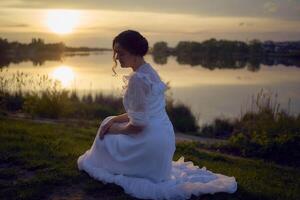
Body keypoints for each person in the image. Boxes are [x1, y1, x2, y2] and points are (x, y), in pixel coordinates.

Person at [77, 30, 237, 199]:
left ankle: (108, 164)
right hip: (164, 138)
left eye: (121, 53)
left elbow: (138, 127)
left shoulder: (137, 80)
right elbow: (142, 112)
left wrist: (111, 129)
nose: (117, 58)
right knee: (108, 120)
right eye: (115, 53)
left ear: (134, 52)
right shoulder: (149, 71)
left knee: (105, 134)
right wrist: (114, 120)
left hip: (148, 143)